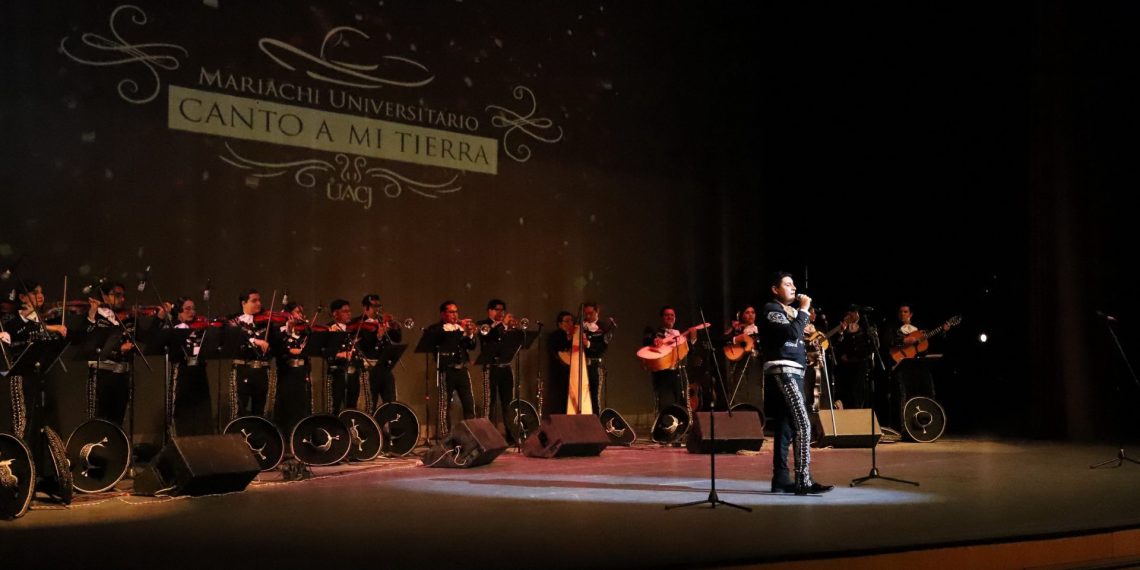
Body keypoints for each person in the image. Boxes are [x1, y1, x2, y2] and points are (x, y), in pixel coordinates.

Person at [760, 271, 832, 495]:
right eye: (788, 284)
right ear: (775, 289)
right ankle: (803, 479)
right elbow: (790, 334)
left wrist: (809, 353)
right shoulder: (772, 309)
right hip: (784, 370)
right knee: (803, 423)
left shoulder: (791, 312)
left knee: (786, 426)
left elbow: (795, 340)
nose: (793, 288)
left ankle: (781, 478)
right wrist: (804, 310)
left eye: (794, 284)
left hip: (796, 371)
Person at [421, 301, 477, 436]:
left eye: (456, 312)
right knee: (444, 405)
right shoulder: (436, 329)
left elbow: (471, 346)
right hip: (446, 370)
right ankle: (446, 436)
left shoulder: (460, 328)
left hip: (462, 369)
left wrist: (470, 334)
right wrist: (460, 331)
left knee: (469, 403)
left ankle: (472, 435)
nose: (455, 315)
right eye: (451, 312)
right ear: (443, 314)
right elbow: (442, 341)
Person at [227, 289, 274, 421]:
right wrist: (254, 340)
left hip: (262, 370)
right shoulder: (234, 321)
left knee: (261, 411)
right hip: (242, 370)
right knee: (239, 409)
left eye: (259, 300)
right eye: (254, 301)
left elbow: (275, 343)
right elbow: (235, 340)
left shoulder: (267, 322)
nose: (259, 303)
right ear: (243, 303)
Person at [477, 298, 517, 442]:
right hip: (491, 367)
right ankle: (488, 437)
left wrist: (512, 329)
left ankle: (511, 435)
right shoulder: (483, 325)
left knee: (508, 403)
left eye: (502, 310)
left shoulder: (506, 326)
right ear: (490, 311)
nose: (500, 312)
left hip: (506, 367)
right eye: (497, 310)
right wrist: (503, 324)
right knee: (490, 403)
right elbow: (490, 337)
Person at [833, 305, 875, 409]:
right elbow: (835, 347)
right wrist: (841, 333)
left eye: (851, 313)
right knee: (845, 394)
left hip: (859, 366)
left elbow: (871, 347)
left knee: (857, 395)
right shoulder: (843, 327)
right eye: (847, 313)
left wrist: (854, 356)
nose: (849, 315)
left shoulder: (865, 326)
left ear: (857, 314)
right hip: (844, 367)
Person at [581, 302, 614, 412]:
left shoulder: (604, 327)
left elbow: (603, 348)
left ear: (597, 311)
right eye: (585, 313)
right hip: (581, 365)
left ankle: (596, 419)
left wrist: (588, 344)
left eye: (590, 313)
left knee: (594, 397)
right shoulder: (581, 326)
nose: (588, 316)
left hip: (595, 365)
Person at [544, 311, 574, 418]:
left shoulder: (576, 336)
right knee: (560, 397)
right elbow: (558, 352)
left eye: (571, 321)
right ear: (560, 324)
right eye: (567, 321)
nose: (570, 323)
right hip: (560, 371)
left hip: (573, 371)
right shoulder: (555, 336)